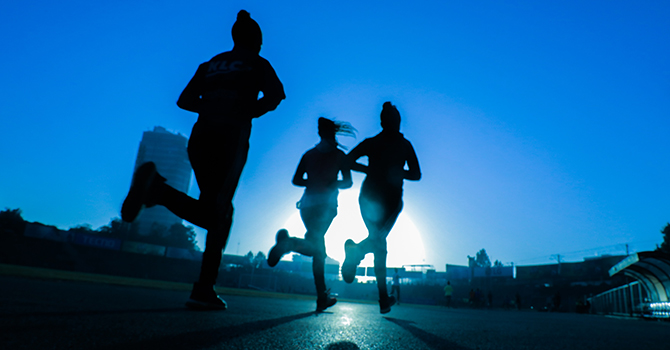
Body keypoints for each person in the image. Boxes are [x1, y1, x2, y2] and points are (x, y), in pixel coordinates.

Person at [120, 10, 285, 310]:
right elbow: (276, 96)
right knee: (220, 211)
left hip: (201, 138)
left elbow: (183, 100)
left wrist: (211, 106)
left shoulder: (210, 64)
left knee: (217, 209)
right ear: (257, 40)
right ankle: (202, 286)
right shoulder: (258, 63)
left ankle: (202, 285)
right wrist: (245, 110)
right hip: (230, 139)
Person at [341, 102, 421, 314]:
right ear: (390, 122)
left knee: (378, 243)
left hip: (371, 200)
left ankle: (358, 257)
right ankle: (382, 297)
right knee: (379, 243)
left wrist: (372, 170)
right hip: (387, 203)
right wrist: (393, 172)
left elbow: (347, 161)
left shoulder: (376, 143)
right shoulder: (402, 145)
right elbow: (416, 174)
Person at [267, 117, 354, 312]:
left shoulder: (309, 155)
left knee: (318, 250)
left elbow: (296, 180)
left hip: (306, 206)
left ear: (319, 133)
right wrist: (332, 183)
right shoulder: (340, 156)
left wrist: (313, 182)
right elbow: (348, 183)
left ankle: (321, 296)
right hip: (326, 207)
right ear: (333, 133)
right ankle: (290, 244)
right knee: (318, 251)